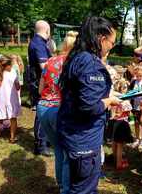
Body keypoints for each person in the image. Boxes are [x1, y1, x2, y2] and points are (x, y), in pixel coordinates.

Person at [57, 16, 121, 194]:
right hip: (83, 138)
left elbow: (80, 93)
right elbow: (89, 106)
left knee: (73, 184)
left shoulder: (77, 57)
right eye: (112, 42)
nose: (111, 47)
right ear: (101, 39)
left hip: (72, 132)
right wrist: (109, 101)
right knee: (83, 189)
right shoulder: (90, 64)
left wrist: (107, 94)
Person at [37, 30, 78, 193]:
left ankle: (61, 185)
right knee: (68, 153)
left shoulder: (49, 61)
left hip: (43, 108)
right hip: (61, 110)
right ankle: (66, 189)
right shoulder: (74, 63)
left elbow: (41, 89)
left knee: (58, 149)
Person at [28, 20, 52, 156]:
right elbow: (44, 66)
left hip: (40, 82)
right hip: (40, 84)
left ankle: (45, 140)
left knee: (44, 112)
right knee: (41, 114)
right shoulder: (38, 44)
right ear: (47, 31)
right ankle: (40, 145)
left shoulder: (39, 43)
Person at [0, 56, 21, 143]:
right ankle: (12, 137)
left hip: (0, 100)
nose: (12, 66)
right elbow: (17, 87)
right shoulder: (12, 72)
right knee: (13, 118)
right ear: (7, 65)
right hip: (11, 100)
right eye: (11, 65)